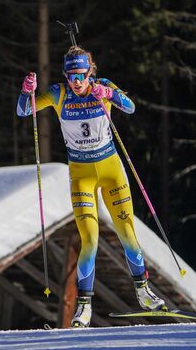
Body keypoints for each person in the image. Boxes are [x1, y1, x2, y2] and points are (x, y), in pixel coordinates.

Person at [16, 45, 165, 328]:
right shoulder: (59, 94)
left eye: (81, 75)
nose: (76, 81)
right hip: (81, 174)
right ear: (65, 74)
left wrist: (109, 94)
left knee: (127, 234)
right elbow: (25, 111)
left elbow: (130, 107)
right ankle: (83, 308)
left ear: (90, 72)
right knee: (90, 241)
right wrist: (27, 91)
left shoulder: (102, 86)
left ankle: (143, 291)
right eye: (71, 75)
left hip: (111, 172)